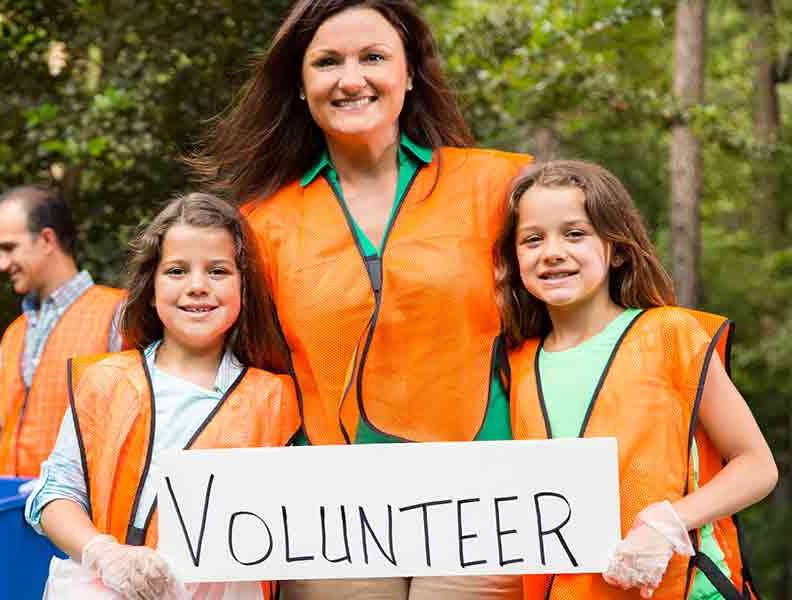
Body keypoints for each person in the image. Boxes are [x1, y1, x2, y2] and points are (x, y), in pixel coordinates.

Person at [189, 0, 529, 597]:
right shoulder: (258, 223)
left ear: (409, 73)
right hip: (331, 511)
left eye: (373, 57)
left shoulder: (497, 186)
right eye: (327, 62)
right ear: (299, 84)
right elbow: (231, 368)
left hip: (481, 497)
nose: (351, 79)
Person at [493, 160, 776, 600]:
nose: (551, 251)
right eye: (532, 239)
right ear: (514, 258)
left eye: (575, 234)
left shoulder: (669, 334)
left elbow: (757, 466)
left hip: (687, 590)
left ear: (617, 248)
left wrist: (668, 524)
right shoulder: (513, 365)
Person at [25, 193, 300, 600]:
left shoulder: (275, 400)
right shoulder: (104, 383)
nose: (197, 287)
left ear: (245, 288)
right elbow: (54, 493)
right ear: (150, 289)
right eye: (176, 270)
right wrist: (103, 554)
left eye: (218, 271)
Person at [0, 185, 125, 477]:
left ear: (47, 240)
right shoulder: (15, 333)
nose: (1, 264)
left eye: (9, 248)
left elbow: (138, 432)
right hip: (9, 514)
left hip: (78, 517)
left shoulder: (116, 314)